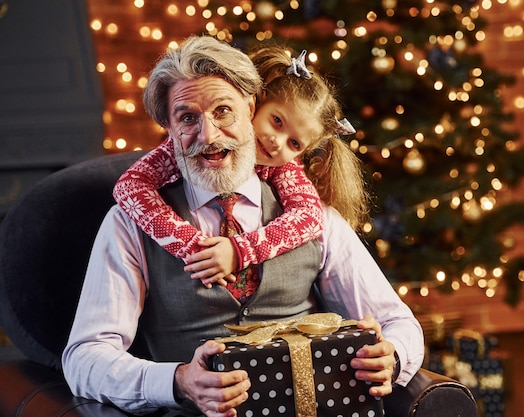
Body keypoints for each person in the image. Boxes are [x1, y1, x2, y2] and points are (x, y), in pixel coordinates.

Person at [62, 35, 423, 417]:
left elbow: (398, 323)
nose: (209, 136)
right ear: (169, 129)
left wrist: (392, 357)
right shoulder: (128, 224)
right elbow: (85, 359)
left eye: (223, 111)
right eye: (187, 118)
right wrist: (179, 380)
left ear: (250, 107)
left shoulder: (314, 217)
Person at [112, 45, 368, 288]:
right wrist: (193, 246)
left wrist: (239, 251)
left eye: (294, 143)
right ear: (256, 103)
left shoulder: (285, 168)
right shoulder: (186, 144)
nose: (276, 143)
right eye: (276, 121)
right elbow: (129, 186)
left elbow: (309, 218)